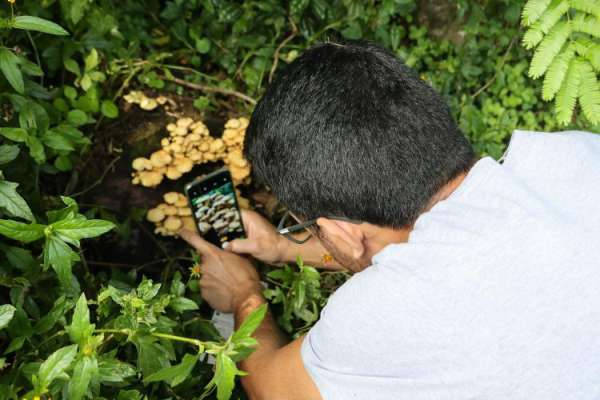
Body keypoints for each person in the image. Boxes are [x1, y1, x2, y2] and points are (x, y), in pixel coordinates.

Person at [180, 40, 600, 400]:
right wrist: (283, 248)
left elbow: (272, 387)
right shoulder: (576, 155)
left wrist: (243, 293)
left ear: (341, 231)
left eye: (310, 228)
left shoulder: (379, 317)